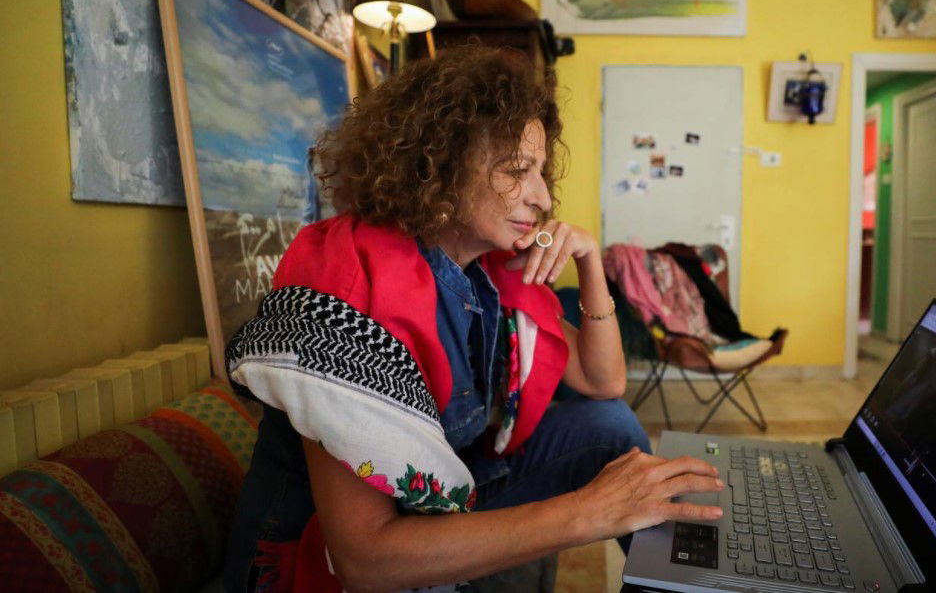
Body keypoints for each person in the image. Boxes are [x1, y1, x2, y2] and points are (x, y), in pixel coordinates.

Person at [222, 46, 724, 593]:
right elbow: (364, 560)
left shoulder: (486, 271)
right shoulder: (347, 293)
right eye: (516, 171)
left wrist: (589, 261)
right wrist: (591, 511)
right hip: (319, 560)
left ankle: (701, 581)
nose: (542, 197)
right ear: (439, 169)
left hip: (436, 498)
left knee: (608, 425)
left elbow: (604, 383)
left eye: (540, 172)